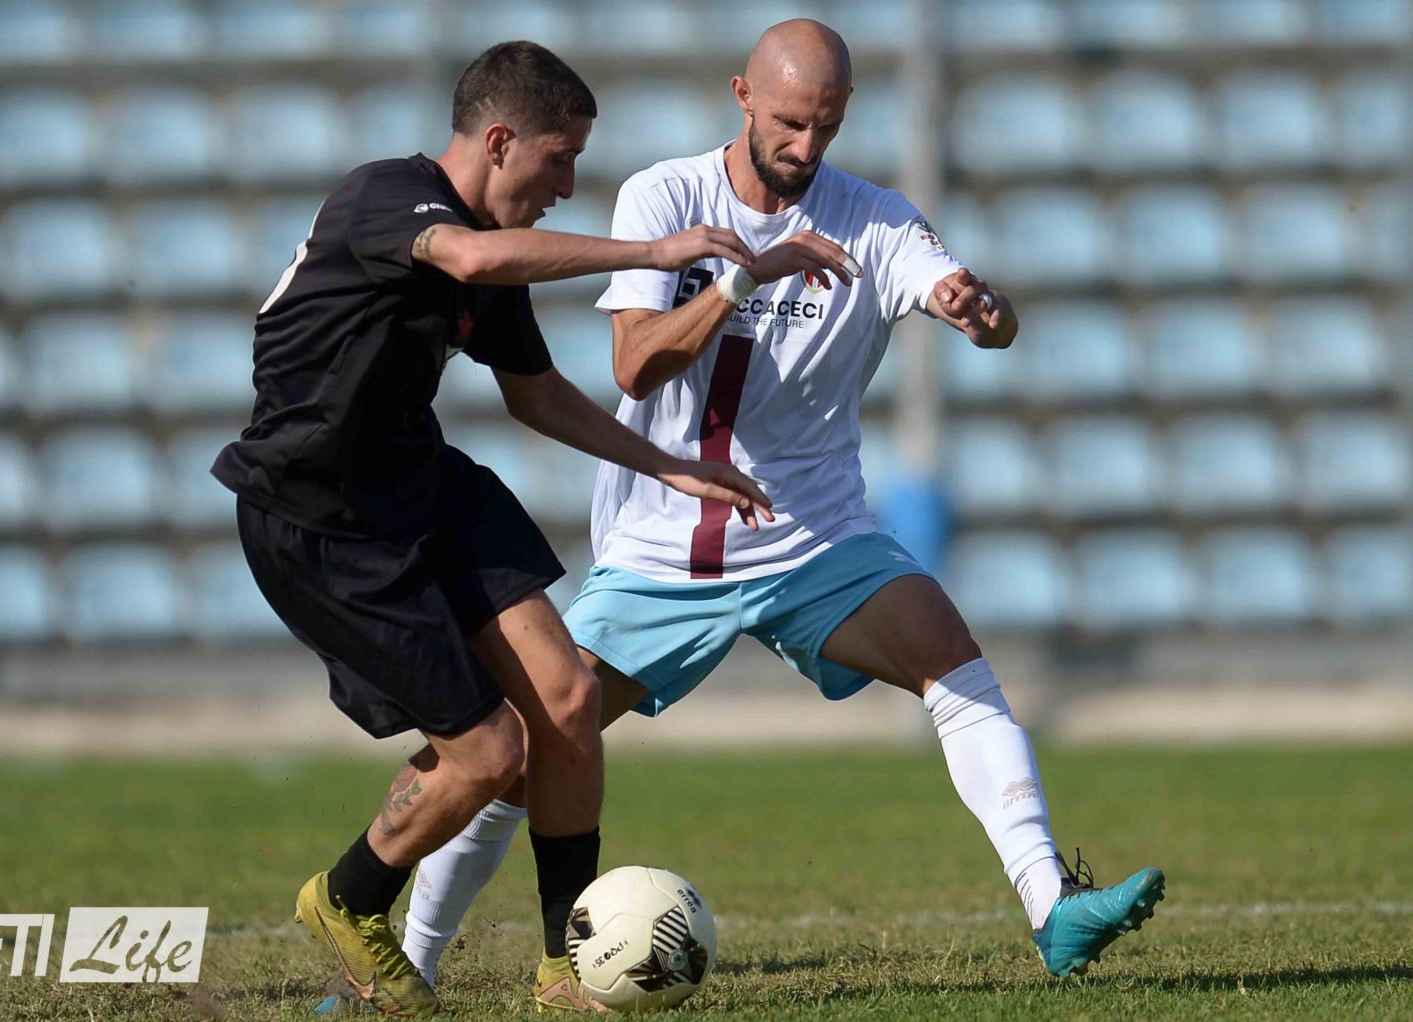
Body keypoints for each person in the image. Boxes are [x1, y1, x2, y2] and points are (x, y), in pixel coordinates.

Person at [399, 19, 1164, 996]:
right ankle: (411, 959)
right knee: (526, 745)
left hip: (814, 538)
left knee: (952, 657)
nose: (807, 145)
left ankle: (1052, 905)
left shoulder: (876, 219)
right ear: (744, 96)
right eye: (792, 122)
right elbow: (636, 364)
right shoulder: (667, 197)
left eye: (828, 125)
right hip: (665, 546)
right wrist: (738, 279)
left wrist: (982, 311)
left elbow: (976, 310)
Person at [211, 41, 773, 1017]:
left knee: (568, 697)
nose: (568, 186)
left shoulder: (495, 247)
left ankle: (566, 968)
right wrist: (653, 251)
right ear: (502, 140)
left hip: (421, 484)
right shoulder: (388, 195)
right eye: (561, 160)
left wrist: (671, 466)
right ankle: (349, 897)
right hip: (317, 514)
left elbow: (536, 393)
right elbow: (470, 258)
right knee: (489, 753)